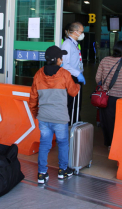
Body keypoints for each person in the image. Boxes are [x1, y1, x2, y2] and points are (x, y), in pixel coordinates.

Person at [29, 45, 80, 184]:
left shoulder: (38, 74)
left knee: (44, 144)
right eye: (61, 58)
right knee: (63, 143)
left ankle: (41, 174)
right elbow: (73, 92)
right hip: (60, 117)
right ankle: (62, 171)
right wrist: (79, 84)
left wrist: (35, 113)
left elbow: (33, 97)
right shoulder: (64, 73)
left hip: (44, 117)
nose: (62, 60)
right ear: (57, 60)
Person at [95, 41, 122, 149]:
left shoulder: (105, 60)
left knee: (109, 122)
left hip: (108, 98)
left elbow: (97, 79)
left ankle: (110, 144)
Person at [61, 22, 86, 123]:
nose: (82, 34)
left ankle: (75, 122)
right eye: (81, 32)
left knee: (76, 104)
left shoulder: (74, 44)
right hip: (72, 78)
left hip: (76, 77)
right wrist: (77, 74)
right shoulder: (67, 44)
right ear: (75, 32)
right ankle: (71, 125)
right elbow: (65, 64)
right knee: (72, 104)